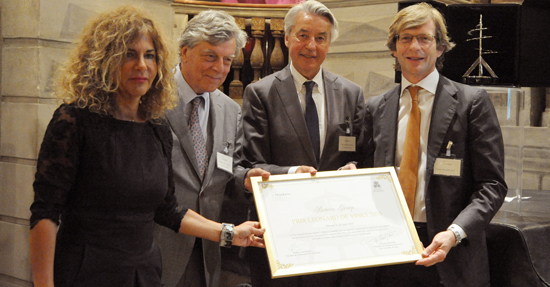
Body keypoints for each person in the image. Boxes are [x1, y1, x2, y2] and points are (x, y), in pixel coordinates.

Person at [28, 6, 264, 287]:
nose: (142, 65)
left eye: (149, 55)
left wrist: (228, 232)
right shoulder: (74, 120)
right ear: (105, 59)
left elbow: (168, 208)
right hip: (87, 271)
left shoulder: (156, 126)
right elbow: (45, 212)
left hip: (144, 273)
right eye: (130, 54)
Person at [360, 3, 507, 287]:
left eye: (424, 38)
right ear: (394, 47)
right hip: (387, 254)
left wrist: (455, 232)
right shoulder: (376, 108)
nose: (414, 46)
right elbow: (367, 175)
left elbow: (492, 185)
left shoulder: (471, 103)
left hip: (452, 256)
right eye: (406, 38)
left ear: (440, 48)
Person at [241, 1, 365, 286]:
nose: (312, 45)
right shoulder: (260, 93)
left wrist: (354, 166)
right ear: (286, 38)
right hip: (281, 232)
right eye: (303, 35)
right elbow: (251, 163)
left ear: (329, 43)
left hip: (336, 233)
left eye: (321, 38)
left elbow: (363, 154)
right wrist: (292, 172)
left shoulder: (351, 93)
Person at [152, 10, 270, 287]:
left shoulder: (230, 109)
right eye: (210, 56)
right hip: (156, 248)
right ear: (184, 51)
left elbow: (227, 168)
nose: (220, 67)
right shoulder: (152, 98)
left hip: (208, 253)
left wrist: (245, 179)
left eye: (227, 59)